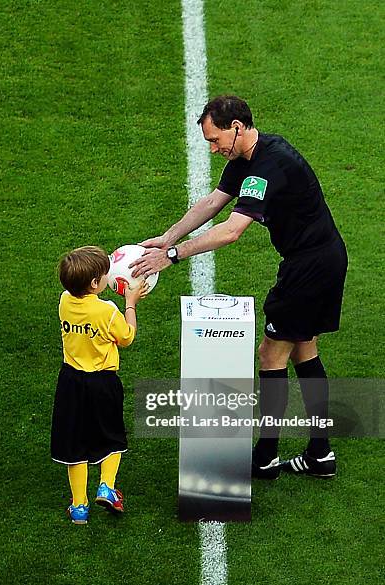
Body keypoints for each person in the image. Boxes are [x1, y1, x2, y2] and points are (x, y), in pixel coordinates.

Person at [130, 95, 348, 480]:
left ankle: (265, 457)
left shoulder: (268, 165)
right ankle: (320, 454)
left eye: (215, 141)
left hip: (310, 268)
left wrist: (174, 256)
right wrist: (168, 237)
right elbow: (214, 201)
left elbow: (232, 231)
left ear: (237, 128)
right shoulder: (246, 157)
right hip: (319, 260)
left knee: (270, 355)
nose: (213, 149)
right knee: (304, 351)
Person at [51, 246, 148, 524]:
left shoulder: (64, 302)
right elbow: (127, 337)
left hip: (70, 382)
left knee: (74, 443)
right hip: (102, 383)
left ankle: (79, 506)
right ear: (95, 283)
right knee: (111, 435)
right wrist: (131, 303)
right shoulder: (107, 310)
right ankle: (107, 485)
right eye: (105, 275)